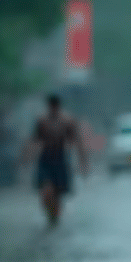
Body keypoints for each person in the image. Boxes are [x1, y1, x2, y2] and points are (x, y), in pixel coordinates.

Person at [28, 94, 88, 226]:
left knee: (58, 194)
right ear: (49, 106)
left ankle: (55, 219)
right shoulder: (42, 120)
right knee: (46, 191)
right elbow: (34, 140)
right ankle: (50, 214)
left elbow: (78, 142)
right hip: (45, 159)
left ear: (58, 106)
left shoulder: (67, 120)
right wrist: (28, 157)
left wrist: (83, 163)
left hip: (60, 159)